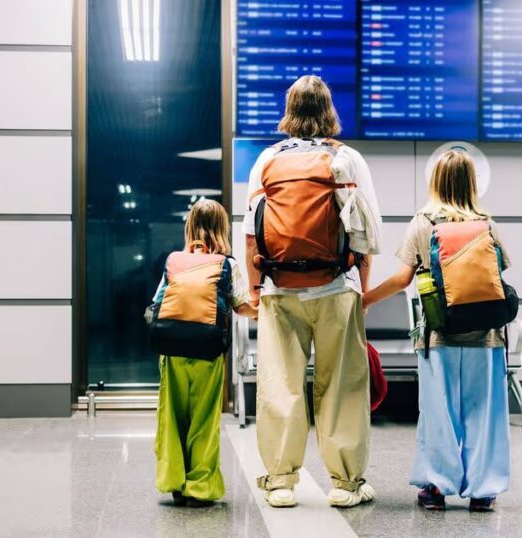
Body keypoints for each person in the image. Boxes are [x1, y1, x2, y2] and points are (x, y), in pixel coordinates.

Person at [244, 75, 382, 508]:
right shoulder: (347, 159)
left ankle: (281, 481)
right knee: (342, 386)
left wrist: (254, 292)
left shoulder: (267, 159)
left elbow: (251, 233)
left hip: (278, 290)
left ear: (289, 110)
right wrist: (359, 290)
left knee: (279, 385)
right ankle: (345, 484)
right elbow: (365, 233)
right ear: (329, 110)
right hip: (336, 287)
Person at [362, 150, 512, 512]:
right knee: (484, 413)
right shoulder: (486, 223)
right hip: (486, 337)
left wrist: (364, 300)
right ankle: (482, 490)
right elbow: (500, 272)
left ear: (435, 181)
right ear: (471, 183)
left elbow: (401, 280)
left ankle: (436, 487)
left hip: (439, 336)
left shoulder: (423, 221)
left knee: (438, 412)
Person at [152, 199, 257, 507]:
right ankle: (200, 487)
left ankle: (175, 482)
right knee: (204, 418)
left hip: (172, 350)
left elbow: (156, 302)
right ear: (221, 228)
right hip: (207, 351)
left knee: (172, 416)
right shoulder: (227, 264)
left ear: (190, 226)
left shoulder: (175, 261)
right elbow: (241, 306)